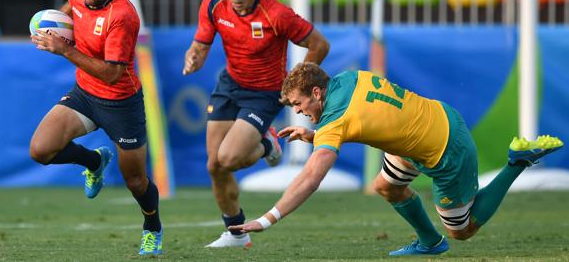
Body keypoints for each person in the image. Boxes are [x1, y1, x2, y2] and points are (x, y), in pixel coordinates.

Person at [229, 62, 564, 256]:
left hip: (445, 150)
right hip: (437, 116)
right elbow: (371, 117)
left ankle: (516, 163)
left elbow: (311, 177)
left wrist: (268, 219)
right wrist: (315, 135)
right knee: (386, 186)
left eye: (299, 104)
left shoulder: (334, 120)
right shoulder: (349, 77)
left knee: (463, 231)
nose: (299, 112)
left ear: (317, 92)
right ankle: (431, 243)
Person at [182, 0, 330, 248]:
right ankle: (236, 233)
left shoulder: (276, 13)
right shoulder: (214, 4)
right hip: (229, 85)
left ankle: (267, 144)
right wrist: (194, 56)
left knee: (228, 159)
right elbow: (200, 44)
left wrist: (297, 83)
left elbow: (319, 44)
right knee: (214, 166)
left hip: (265, 93)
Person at [29, 0, 163, 256]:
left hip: (121, 103)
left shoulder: (123, 16)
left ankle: (152, 227)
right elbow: (69, 10)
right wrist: (53, 25)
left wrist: (64, 49)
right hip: (85, 94)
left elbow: (114, 74)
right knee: (40, 149)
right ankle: (94, 161)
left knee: (136, 181)